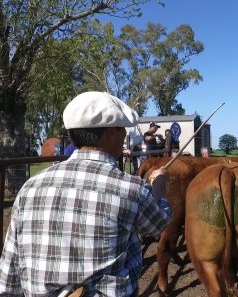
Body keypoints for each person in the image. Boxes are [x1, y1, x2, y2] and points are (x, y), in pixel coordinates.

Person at [0, 91, 172, 296]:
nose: (125, 135)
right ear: (110, 133)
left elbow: (9, 274)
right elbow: (159, 223)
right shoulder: (131, 189)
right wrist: (159, 184)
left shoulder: (29, 188)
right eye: (122, 130)